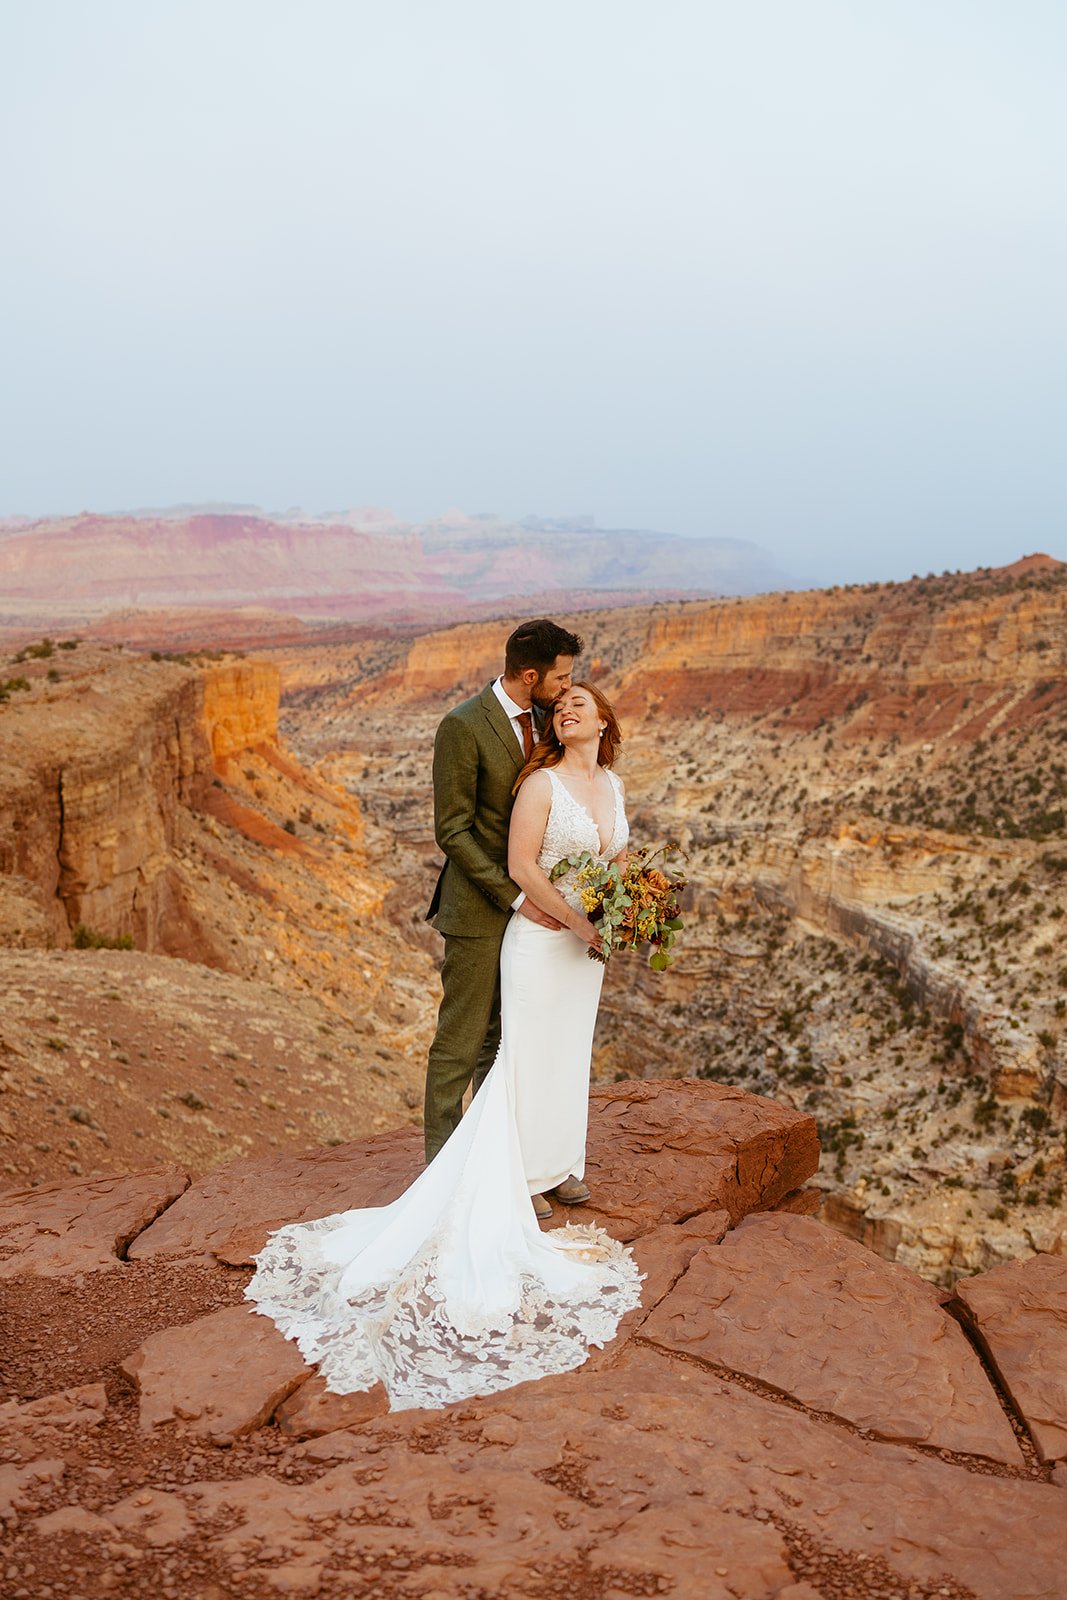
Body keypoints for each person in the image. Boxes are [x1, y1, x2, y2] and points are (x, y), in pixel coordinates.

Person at [245, 681, 641, 1411]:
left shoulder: (611, 783)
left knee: (567, 1051)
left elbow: (616, 858)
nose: (567, 711)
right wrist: (576, 922)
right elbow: (523, 869)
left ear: (606, 718)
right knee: (522, 1049)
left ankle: (559, 1167)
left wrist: (621, 906)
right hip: (542, 937)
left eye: (581, 702)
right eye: (559, 707)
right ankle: (518, 1176)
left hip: (587, 940)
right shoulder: (540, 784)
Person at [423, 618, 583, 1165]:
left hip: (535, 911)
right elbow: (453, 831)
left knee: (507, 1041)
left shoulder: (549, 720)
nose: (567, 688)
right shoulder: (462, 726)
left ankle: (497, 1161)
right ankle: (441, 1171)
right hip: (478, 909)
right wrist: (517, 897)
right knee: (461, 1043)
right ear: (531, 674)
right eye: (561, 678)